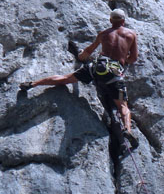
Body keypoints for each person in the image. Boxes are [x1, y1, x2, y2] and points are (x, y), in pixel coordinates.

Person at [20, 9, 139, 148]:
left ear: (110, 21)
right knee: (122, 106)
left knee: (65, 78)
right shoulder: (131, 35)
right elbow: (134, 58)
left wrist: (80, 56)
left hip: (97, 68)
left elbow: (88, 52)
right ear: (123, 21)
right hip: (114, 73)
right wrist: (123, 59)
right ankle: (127, 130)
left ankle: (33, 84)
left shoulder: (103, 34)